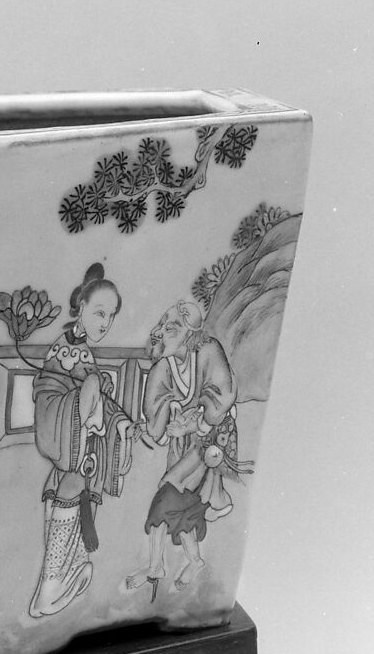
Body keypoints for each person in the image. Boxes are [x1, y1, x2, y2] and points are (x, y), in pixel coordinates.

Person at [29, 264, 133, 618]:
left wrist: (117, 422)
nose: (106, 322)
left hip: (79, 440)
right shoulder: (68, 348)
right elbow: (52, 392)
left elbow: (96, 395)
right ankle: (50, 587)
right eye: (100, 312)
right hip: (66, 434)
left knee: (71, 495)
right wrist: (89, 407)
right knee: (71, 488)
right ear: (82, 307)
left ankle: (63, 576)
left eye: (111, 315)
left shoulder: (82, 350)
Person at [126, 299, 237, 598]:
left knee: (165, 498)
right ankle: (194, 561)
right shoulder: (164, 367)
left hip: (206, 444)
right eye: (161, 325)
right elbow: (155, 414)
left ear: (189, 332)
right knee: (184, 509)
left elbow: (221, 398)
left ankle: (155, 567)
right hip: (179, 448)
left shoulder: (208, 351)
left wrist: (191, 425)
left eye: (170, 327)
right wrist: (160, 422)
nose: (160, 332)